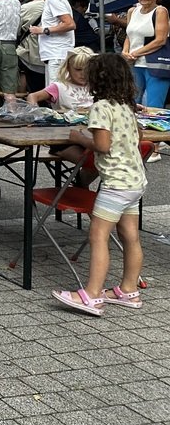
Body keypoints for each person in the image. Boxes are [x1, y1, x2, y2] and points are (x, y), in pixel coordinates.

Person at [53, 53, 148, 317]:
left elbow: (103, 146)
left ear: (98, 79)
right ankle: (129, 290)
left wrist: (80, 138)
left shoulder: (101, 107)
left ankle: (92, 294)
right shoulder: (126, 106)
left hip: (115, 184)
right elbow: (138, 135)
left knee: (98, 235)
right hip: (134, 181)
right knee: (130, 236)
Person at [25, 46, 100, 184]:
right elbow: (32, 96)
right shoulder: (59, 87)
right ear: (68, 68)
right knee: (93, 162)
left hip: (91, 136)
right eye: (78, 69)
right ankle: (80, 187)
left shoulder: (97, 87)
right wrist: (36, 115)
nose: (83, 74)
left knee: (103, 159)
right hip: (63, 140)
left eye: (87, 70)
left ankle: (80, 186)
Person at [122, 0, 170, 110]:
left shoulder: (160, 11)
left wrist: (135, 53)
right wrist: (125, 52)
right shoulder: (132, 11)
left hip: (155, 64)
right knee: (131, 103)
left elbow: (160, 40)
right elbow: (129, 35)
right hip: (134, 63)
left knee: (154, 106)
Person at [29, 0, 75, 85]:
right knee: (53, 91)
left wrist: (43, 30)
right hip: (55, 54)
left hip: (57, 55)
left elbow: (70, 24)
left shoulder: (53, 0)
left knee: (56, 91)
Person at [0, 0, 21, 97]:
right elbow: (19, 25)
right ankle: (11, 107)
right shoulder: (16, 2)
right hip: (10, 46)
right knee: (10, 92)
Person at [16, 0, 47, 95]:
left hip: (31, 55)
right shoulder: (58, 6)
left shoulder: (26, 8)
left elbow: (17, 29)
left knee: (25, 76)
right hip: (52, 55)